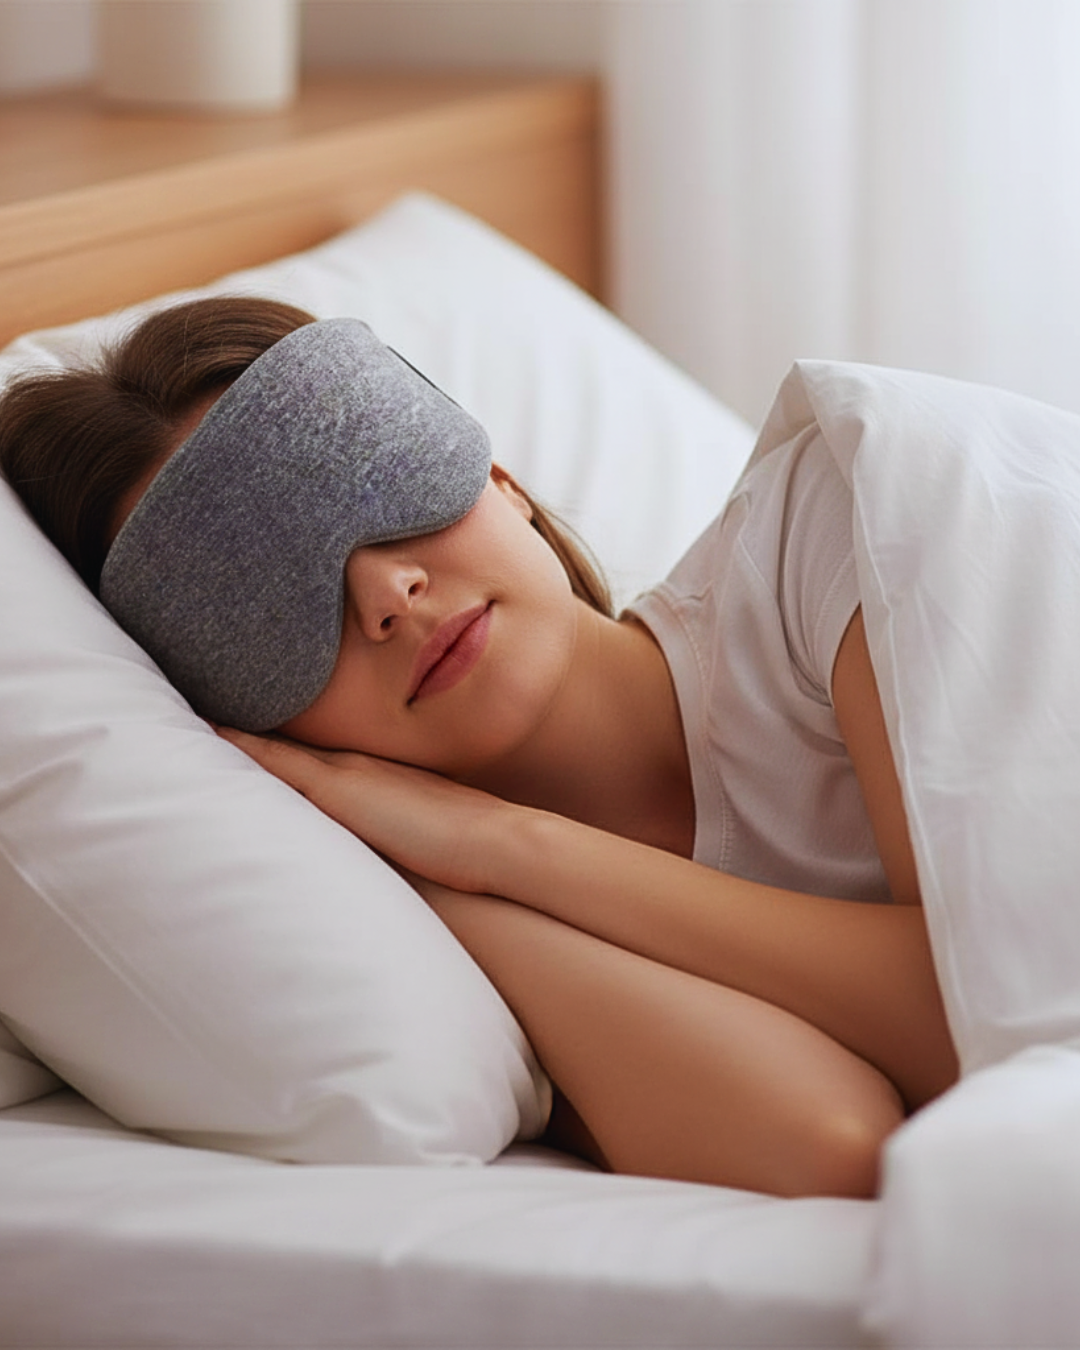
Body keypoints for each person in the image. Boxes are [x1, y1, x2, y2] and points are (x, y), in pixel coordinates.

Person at [0, 297, 958, 1198]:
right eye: (258, 606)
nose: (384, 595)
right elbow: (829, 1142)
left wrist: (513, 845)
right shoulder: (470, 952)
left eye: (373, 482)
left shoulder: (836, 528)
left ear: (507, 483)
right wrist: (445, 877)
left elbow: (990, 1009)